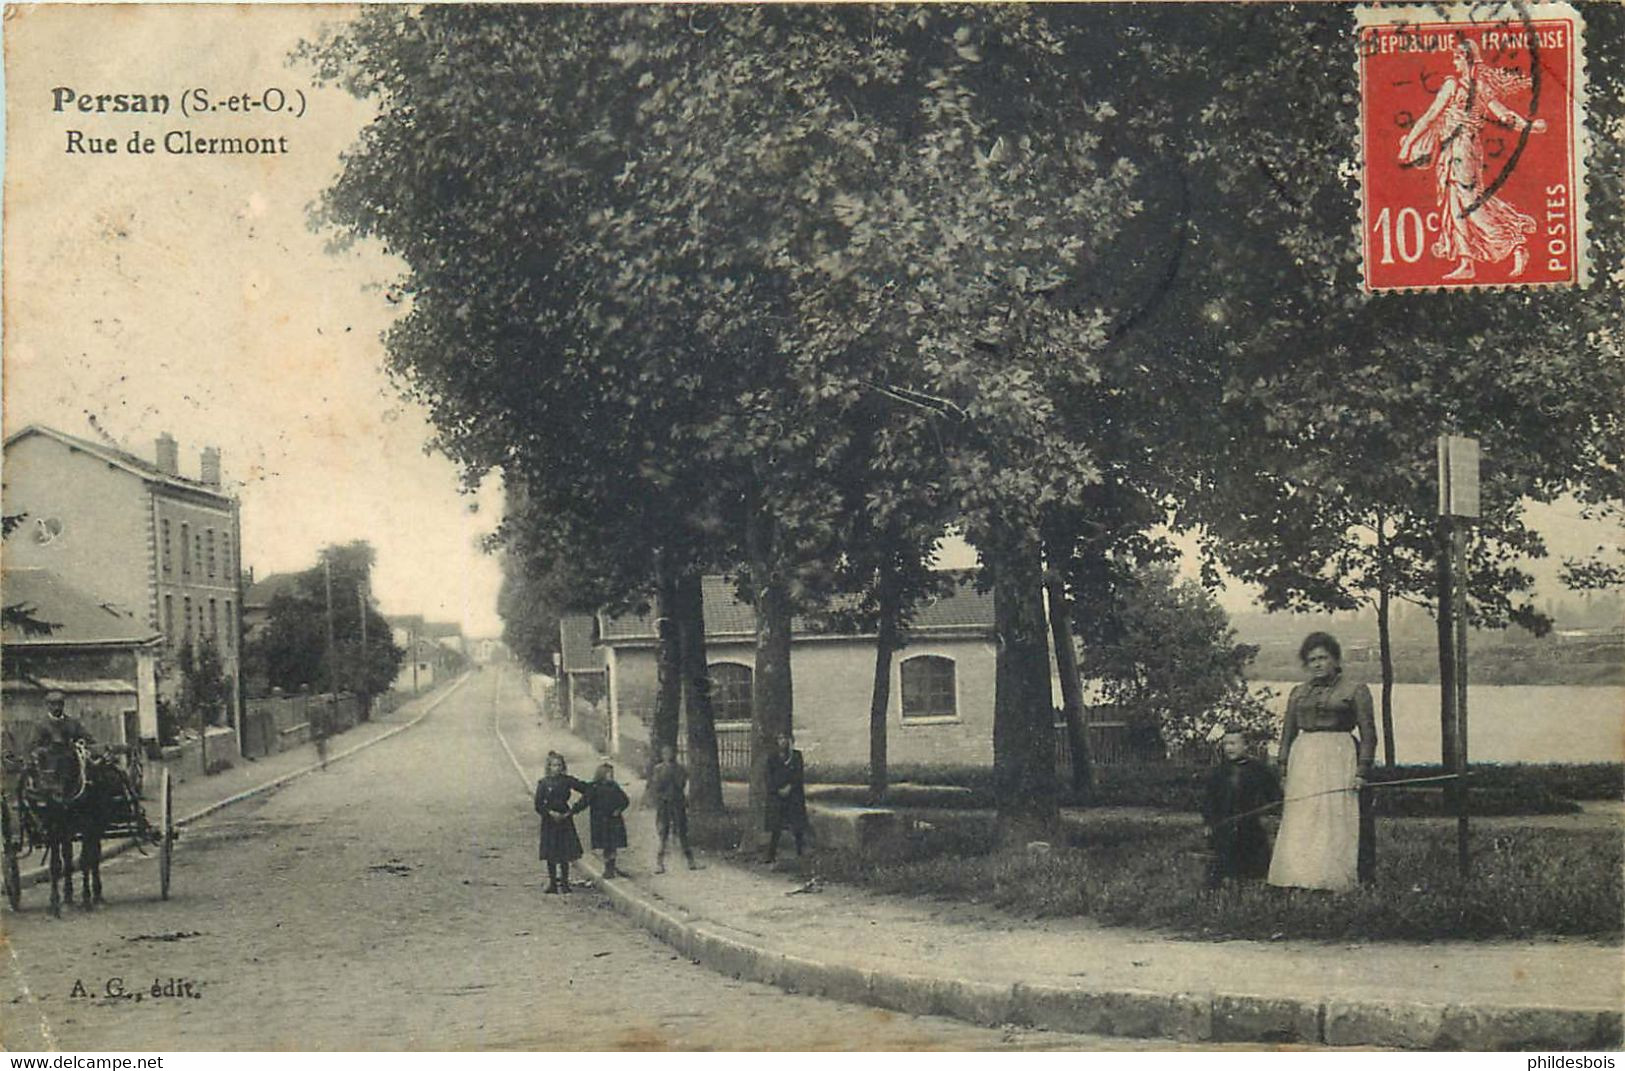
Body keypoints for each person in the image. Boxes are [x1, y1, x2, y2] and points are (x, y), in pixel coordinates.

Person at [1398, 36, 1546, 281]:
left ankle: (1513, 241)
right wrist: (1530, 126)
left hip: (1460, 149)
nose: (1454, 62)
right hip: (1462, 149)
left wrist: (1408, 145)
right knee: (1455, 202)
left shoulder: (1453, 86)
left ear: (1465, 60)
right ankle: (1467, 262)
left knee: (1468, 202)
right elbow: (1506, 116)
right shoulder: (1481, 89)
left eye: (1457, 57)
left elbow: (1430, 116)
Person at [1269, 633, 1377, 892]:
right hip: (1305, 757)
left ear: (1335, 660)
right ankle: (1298, 877)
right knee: (1303, 816)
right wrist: (1282, 767)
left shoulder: (1355, 690)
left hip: (1339, 755)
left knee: (1334, 816)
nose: (1317, 664)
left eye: (1323, 658)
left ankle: (1333, 879)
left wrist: (1362, 770)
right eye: (1312, 660)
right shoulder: (1299, 693)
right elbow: (1288, 733)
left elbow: (1369, 735)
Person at [1201, 729, 1282, 888]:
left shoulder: (1259, 769)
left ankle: (1251, 884)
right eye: (1225, 744)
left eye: (1233, 744)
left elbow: (1274, 794)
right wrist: (1209, 823)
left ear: (1246, 745)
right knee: (1222, 860)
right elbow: (1209, 800)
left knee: (1254, 857)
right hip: (1223, 823)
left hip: (1250, 823)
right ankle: (1222, 885)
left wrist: (1273, 807)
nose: (1229, 748)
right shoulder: (1219, 772)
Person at [534, 751, 588, 893]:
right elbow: (538, 804)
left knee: (565, 852)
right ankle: (552, 883)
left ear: (563, 766)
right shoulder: (543, 783)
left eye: (559, 765)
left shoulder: (567, 781)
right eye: (553, 765)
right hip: (549, 820)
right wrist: (549, 813)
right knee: (551, 852)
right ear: (549, 767)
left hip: (564, 818)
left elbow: (587, 790)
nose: (556, 768)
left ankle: (564, 883)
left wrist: (574, 810)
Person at [573, 762, 630, 879]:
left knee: (612, 845)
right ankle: (608, 868)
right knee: (606, 845)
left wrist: (618, 810)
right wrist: (572, 811)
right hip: (601, 822)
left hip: (614, 821)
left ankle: (611, 867)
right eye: (608, 774)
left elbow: (625, 800)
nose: (611, 776)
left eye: (612, 774)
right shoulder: (594, 788)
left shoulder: (614, 787)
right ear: (601, 775)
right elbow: (584, 802)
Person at [648, 743, 697, 873]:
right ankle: (660, 863)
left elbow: (681, 783)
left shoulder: (679, 769)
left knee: (682, 831)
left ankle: (690, 860)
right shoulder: (658, 769)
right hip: (664, 804)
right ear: (662, 755)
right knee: (663, 833)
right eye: (665, 753)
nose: (667, 756)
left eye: (669, 753)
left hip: (677, 803)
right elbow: (656, 785)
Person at [30, 691, 93, 787]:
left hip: (73, 758)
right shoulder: (41, 725)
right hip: (49, 760)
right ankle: (58, 789)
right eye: (53, 704)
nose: (57, 708)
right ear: (47, 706)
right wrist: (44, 750)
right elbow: (34, 744)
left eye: (60, 704)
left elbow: (85, 736)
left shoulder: (72, 722)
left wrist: (85, 741)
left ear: (63, 705)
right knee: (61, 762)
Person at [764, 732, 808, 865]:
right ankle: (771, 854)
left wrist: (790, 786)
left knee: (797, 824)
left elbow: (799, 774)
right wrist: (777, 789)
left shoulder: (796, 756)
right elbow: (768, 777)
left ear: (790, 740)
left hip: (793, 794)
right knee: (776, 825)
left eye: (785, 739)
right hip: (778, 795)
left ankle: (800, 851)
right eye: (779, 738)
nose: (782, 741)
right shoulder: (772, 758)